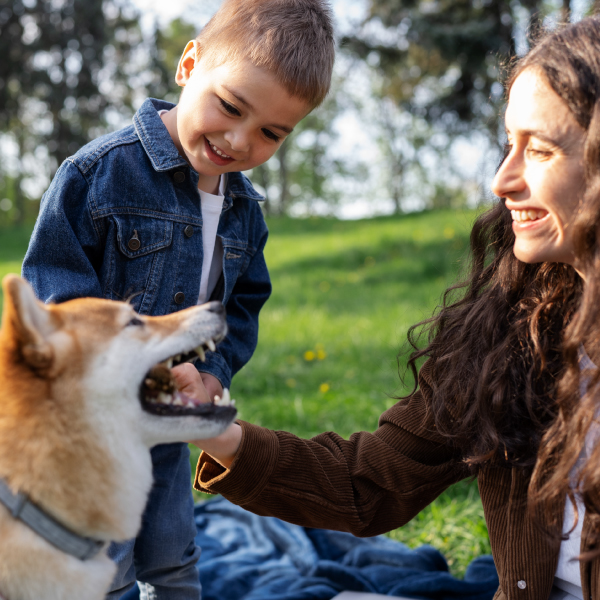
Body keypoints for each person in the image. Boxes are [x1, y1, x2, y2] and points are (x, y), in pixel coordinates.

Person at [188, 17, 600, 600]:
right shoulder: (517, 327)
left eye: (539, 150)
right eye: (509, 144)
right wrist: (218, 434)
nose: (502, 179)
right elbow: (371, 482)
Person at [21, 1, 335, 598]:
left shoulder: (245, 211)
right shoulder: (99, 175)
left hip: (166, 414)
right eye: (231, 106)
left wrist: (211, 373)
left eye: (271, 132)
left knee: (172, 553)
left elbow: (239, 306)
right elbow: (54, 289)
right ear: (189, 65)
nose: (239, 140)